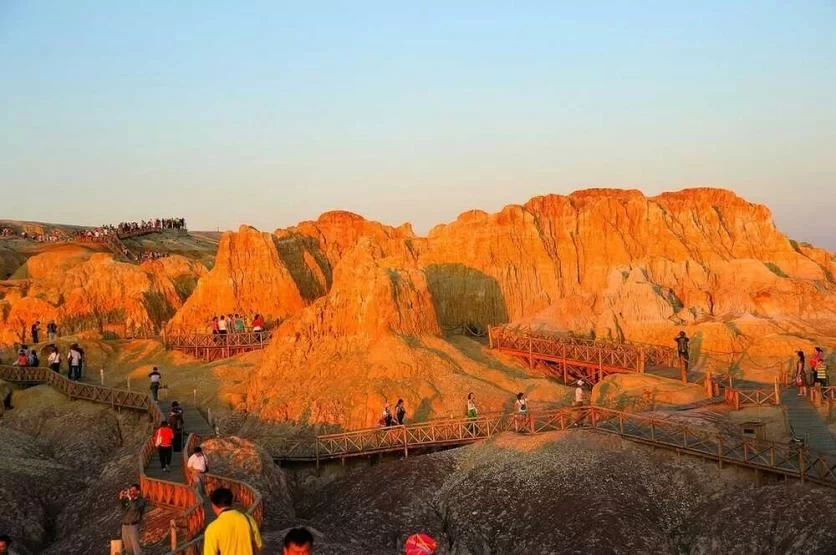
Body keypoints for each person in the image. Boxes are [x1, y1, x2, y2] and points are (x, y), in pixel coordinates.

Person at [203, 487, 263, 555]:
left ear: (213, 505)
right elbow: (259, 546)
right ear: (231, 502)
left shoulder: (212, 528)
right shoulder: (248, 519)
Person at [118, 483, 146, 555]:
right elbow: (122, 511)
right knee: (128, 547)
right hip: (125, 525)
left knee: (135, 546)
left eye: (133, 490)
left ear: (138, 491)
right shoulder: (129, 500)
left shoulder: (141, 501)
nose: (131, 492)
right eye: (130, 490)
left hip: (133, 525)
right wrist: (121, 500)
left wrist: (130, 499)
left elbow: (134, 508)